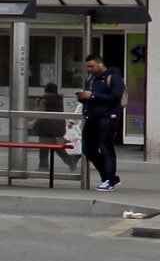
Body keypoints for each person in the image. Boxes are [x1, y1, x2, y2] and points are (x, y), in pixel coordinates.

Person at [76, 55, 124, 190]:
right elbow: (89, 97)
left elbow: (115, 97)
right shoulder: (91, 79)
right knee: (88, 148)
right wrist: (83, 98)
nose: (90, 69)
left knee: (106, 149)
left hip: (107, 118)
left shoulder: (113, 78)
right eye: (88, 67)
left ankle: (109, 179)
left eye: (92, 66)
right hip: (92, 116)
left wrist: (93, 95)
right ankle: (109, 177)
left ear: (100, 64)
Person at [29, 82, 79, 176]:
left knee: (44, 147)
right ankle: (69, 161)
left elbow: (41, 114)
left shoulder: (43, 100)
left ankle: (44, 165)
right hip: (58, 126)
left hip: (46, 127)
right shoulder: (59, 100)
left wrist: (34, 123)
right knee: (56, 146)